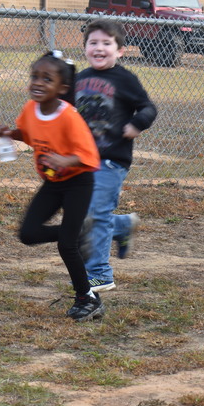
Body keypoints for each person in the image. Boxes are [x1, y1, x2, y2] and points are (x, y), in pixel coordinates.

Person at [0, 51, 103, 321]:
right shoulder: (31, 109)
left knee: (66, 245)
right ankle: (80, 232)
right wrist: (10, 134)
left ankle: (87, 298)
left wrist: (66, 158)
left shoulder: (69, 116)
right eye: (34, 77)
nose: (38, 83)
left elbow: (89, 155)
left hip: (78, 182)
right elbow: (30, 135)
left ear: (62, 88)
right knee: (28, 234)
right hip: (53, 182)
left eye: (47, 79)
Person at [75, 20, 157, 292]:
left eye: (106, 43)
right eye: (93, 43)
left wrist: (137, 124)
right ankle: (122, 226)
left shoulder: (125, 79)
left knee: (95, 213)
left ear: (120, 50)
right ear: (85, 48)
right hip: (82, 160)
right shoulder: (79, 80)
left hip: (112, 159)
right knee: (86, 214)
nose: (99, 48)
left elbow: (147, 107)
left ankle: (99, 273)